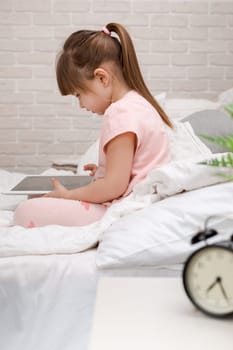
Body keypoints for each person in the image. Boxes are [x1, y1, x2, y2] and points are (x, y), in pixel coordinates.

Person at [14, 22, 173, 228]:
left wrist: (69, 196)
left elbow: (114, 187)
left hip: (127, 209)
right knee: (37, 199)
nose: (80, 104)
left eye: (79, 94)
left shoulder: (119, 113)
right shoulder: (138, 103)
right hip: (142, 202)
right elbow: (132, 169)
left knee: (24, 211)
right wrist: (104, 169)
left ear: (101, 78)